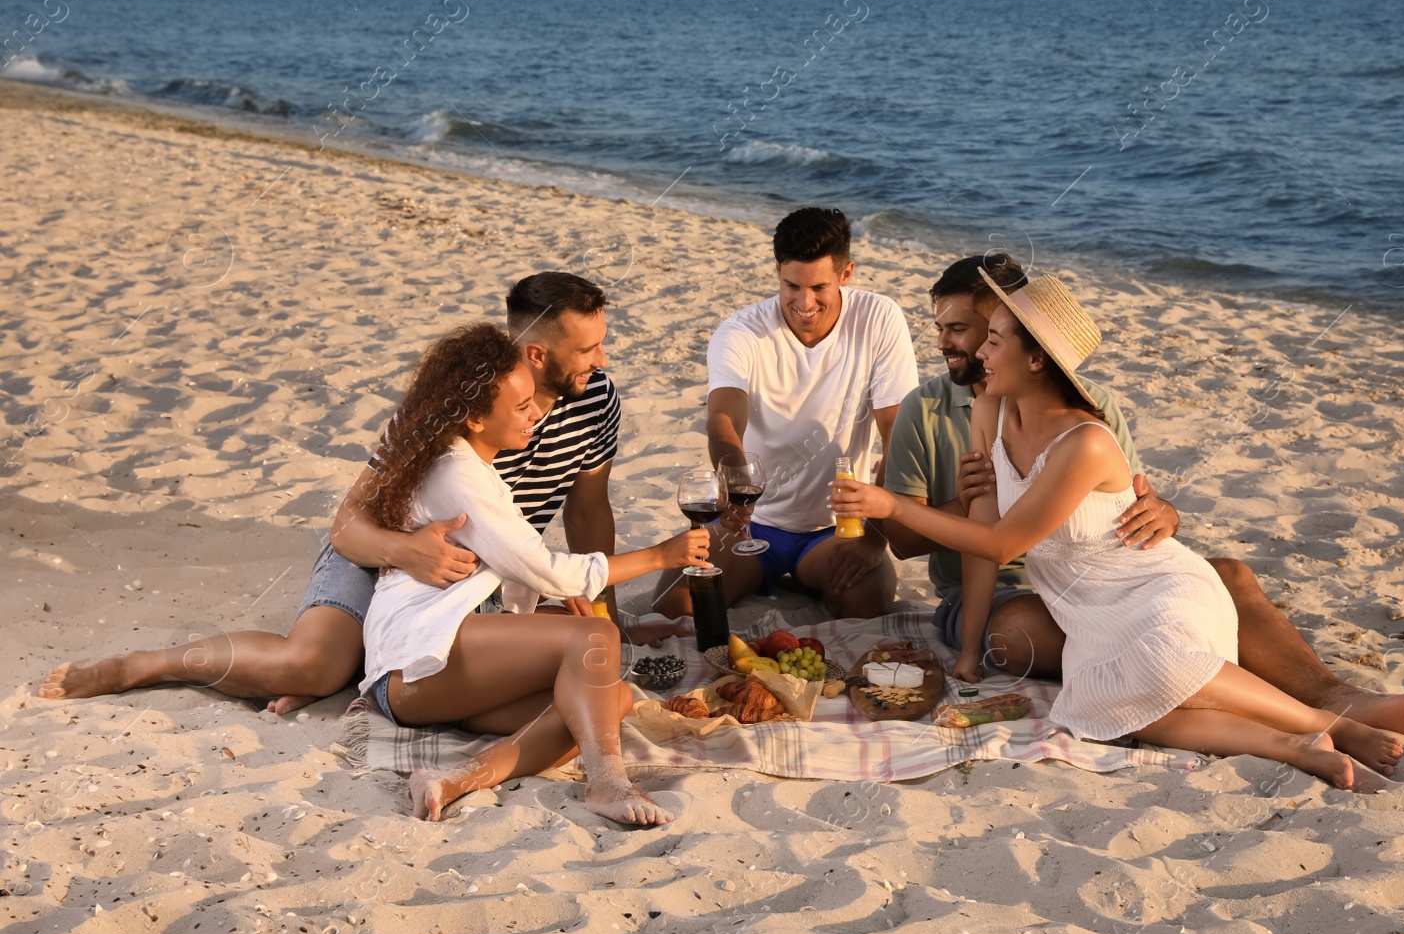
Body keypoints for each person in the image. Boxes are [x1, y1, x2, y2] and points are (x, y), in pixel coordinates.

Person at [834, 270, 1404, 790]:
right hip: (1082, 604)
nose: (975, 349)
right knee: (1113, 711)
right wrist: (966, 655)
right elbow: (985, 529)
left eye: (991, 337)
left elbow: (1016, 537)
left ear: (1037, 359)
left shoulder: (1085, 436)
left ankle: (1332, 719)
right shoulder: (986, 410)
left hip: (1143, 585)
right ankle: (1293, 746)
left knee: (1160, 663)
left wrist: (890, 504)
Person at [38, 272, 681, 712]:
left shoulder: (596, 399)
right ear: (537, 354)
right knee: (312, 667)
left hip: (475, 577)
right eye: (589, 347)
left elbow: (588, 508)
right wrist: (404, 553)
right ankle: (146, 665)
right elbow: (348, 521)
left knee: (552, 655)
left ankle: (357, 671)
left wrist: (610, 613)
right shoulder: (451, 402)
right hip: (379, 555)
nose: (601, 360)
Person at [350, 322, 708, 823]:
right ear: (475, 417)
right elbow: (542, 567)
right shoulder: (458, 473)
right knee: (592, 635)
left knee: (606, 701)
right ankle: (608, 781)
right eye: (521, 408)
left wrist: (547, 604)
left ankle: (451, 781)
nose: (537, 412)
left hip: (445, 670)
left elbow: (512, 570)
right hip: (413, 664)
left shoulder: (472, 464)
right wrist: (662, 555)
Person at [651, 207, 919, 620]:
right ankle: (755, 574)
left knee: (866, 602)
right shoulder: (740, 332)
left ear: (846, 274)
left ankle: (812, 581)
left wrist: (873, 539)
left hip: (834, 530)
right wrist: (736, 488)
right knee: (675, 602)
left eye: (819, 288)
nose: (804, 302)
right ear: (777, 270)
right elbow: (723, 421)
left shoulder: (879, 318)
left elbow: (898, 432)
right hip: (751, 524)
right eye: (791, 285)